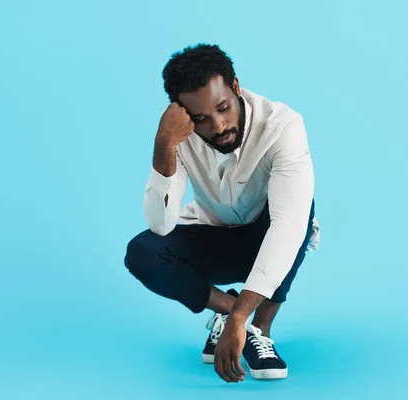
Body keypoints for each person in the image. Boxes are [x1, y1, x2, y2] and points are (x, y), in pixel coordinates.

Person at [124, 43, 320, 383]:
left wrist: (245, 315)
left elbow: (287, 228)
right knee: (142, 253)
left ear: (236, 87)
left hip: (265, 235)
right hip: (212, 236)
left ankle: (260, 329)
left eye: (223, 108)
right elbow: (159, 223)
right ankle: (233, 320)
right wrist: (164, 144)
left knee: (299, 212)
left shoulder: (283, 126)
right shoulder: (177, 132)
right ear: (183, 113)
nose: (218, 126)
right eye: (200, 118)